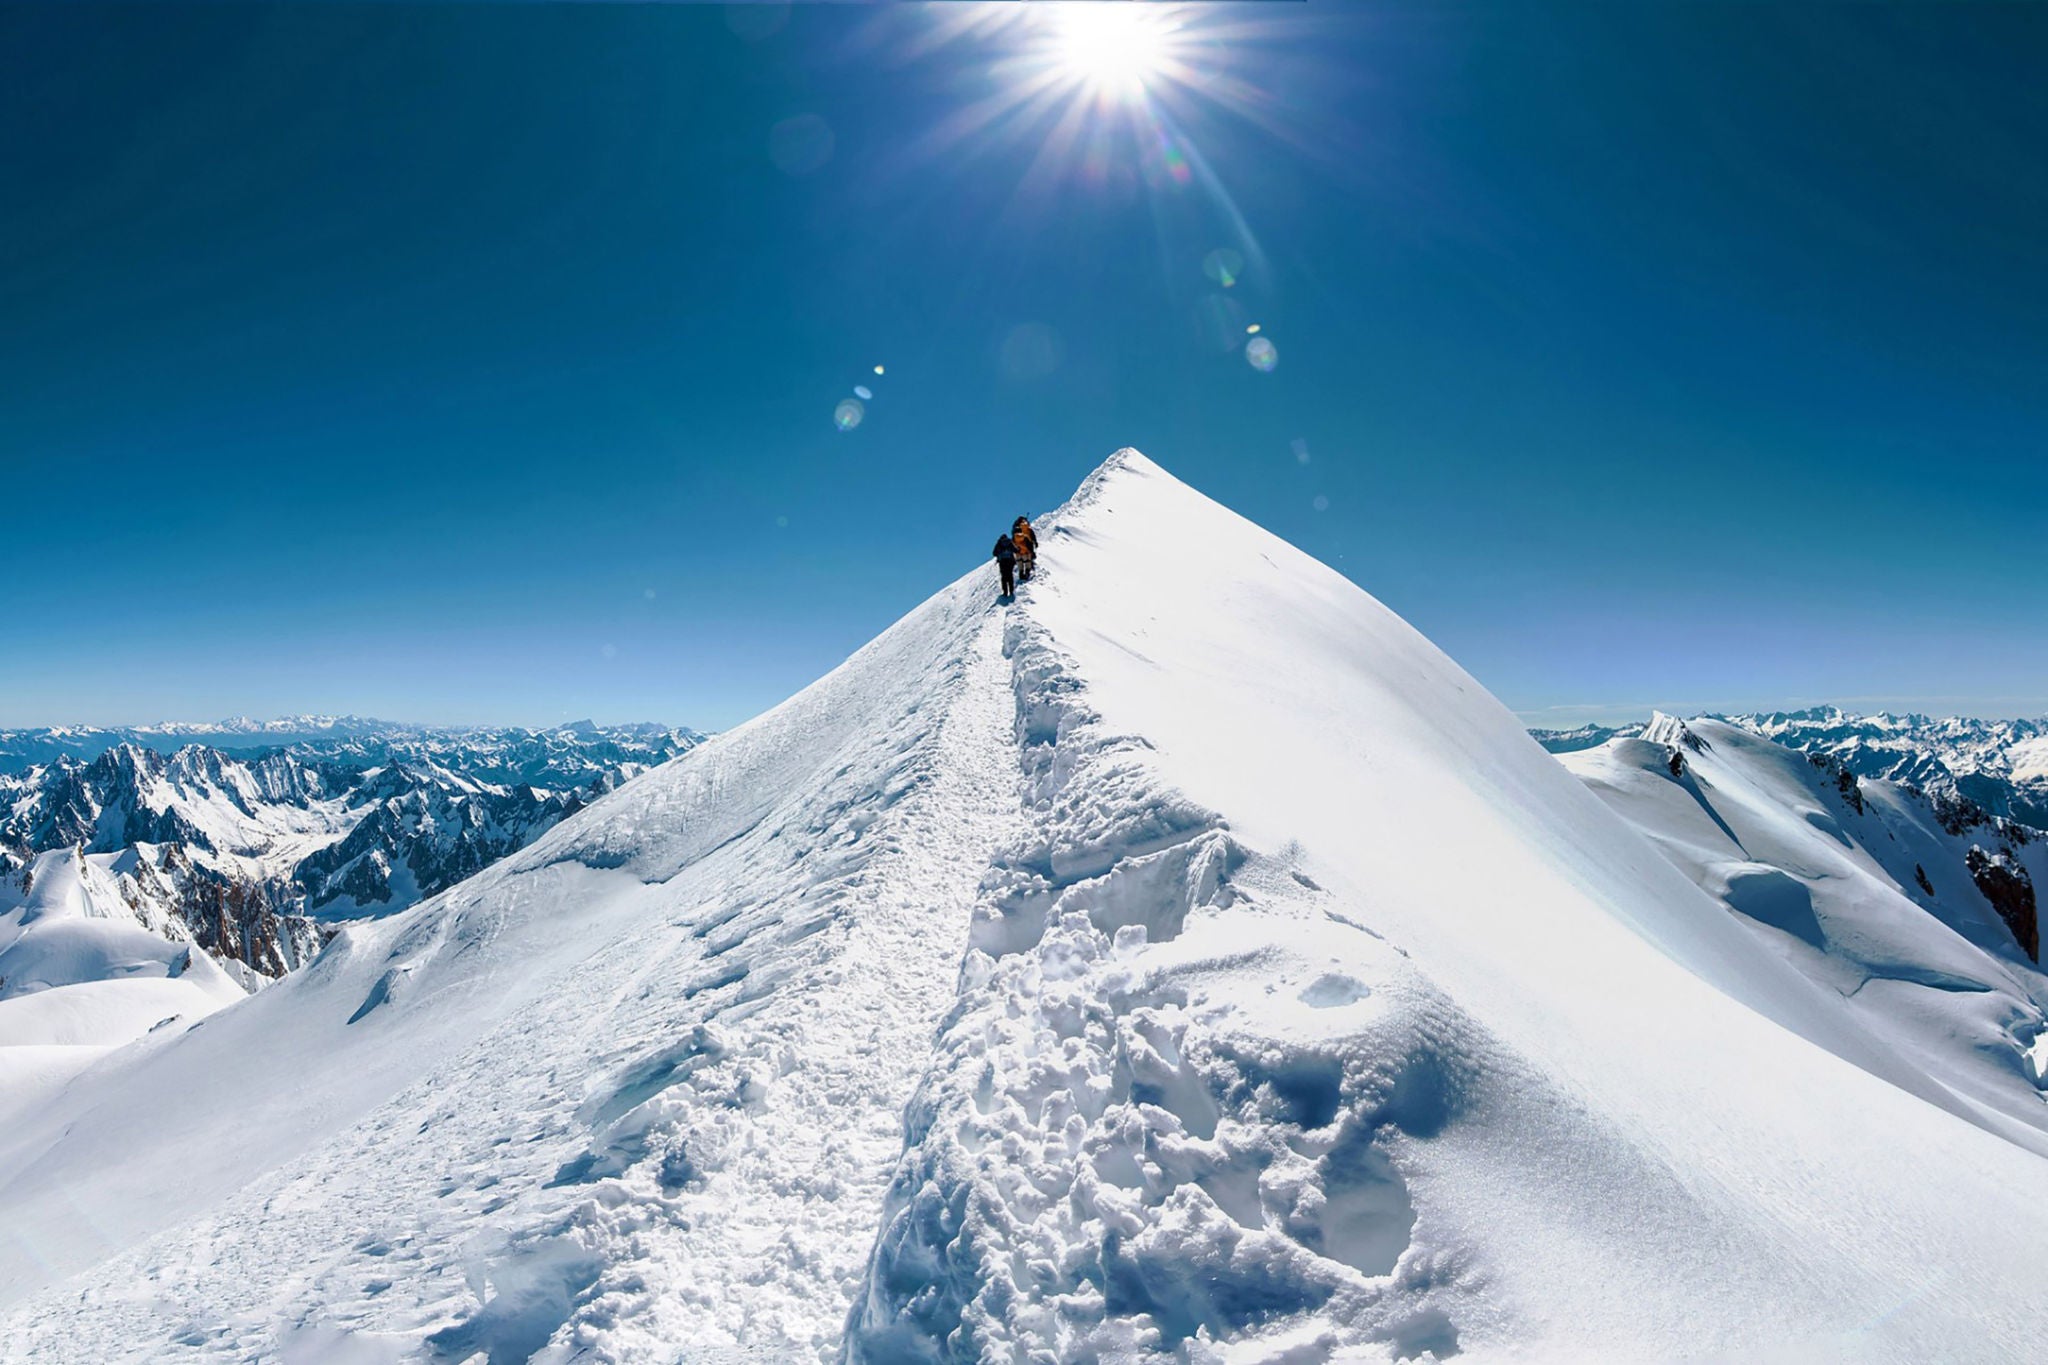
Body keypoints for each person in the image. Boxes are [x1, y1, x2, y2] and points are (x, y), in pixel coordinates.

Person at [992, 530, 1018, 597]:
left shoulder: (999, 543)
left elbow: (994, 553)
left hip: (1002, 561)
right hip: (1010, 561)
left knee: (1004, 577)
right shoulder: (1009, 542)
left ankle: (1005, 592)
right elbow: (1015, 550)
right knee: (1010, 576)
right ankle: (1011, 591)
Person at [1011, 516, 1038, 582]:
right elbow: (1032, 538)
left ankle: (1021, 574)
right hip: (1026, 550)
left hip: (1018, 551)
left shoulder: (1014, 535)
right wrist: (1032, 550)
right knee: (1027, 562)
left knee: (1020, 563)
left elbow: (1012, 544)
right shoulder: (1027, 532)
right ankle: (1027, 573)